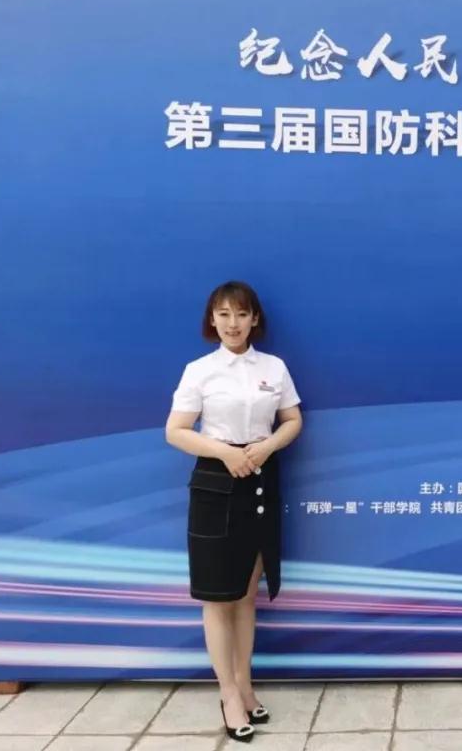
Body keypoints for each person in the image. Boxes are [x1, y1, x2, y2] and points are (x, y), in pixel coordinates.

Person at [165, 281, 302, 742]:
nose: (233, 323)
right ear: (212, 320)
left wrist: (268, 446)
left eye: (241, 314)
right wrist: (225, 452)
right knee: (217, 597)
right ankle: (227, 693)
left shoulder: (273, 367)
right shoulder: (200, 371)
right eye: (223, 314)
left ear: (255, 319)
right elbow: (176, 430)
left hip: (260, 479)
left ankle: (245, 685)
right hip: (216, 484)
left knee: (245, 594)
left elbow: (293, 419)